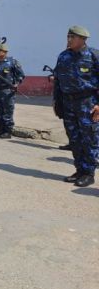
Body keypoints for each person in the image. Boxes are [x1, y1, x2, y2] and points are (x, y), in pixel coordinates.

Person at [53, 25, 99, 187]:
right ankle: (79, 169)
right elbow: (57, 80)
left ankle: (89, 173)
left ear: (83, 39)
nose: (69, 40)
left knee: (89, 138)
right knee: (74, 138)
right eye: (68, 36)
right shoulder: (63, 56)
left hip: (87, 102)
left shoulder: (93, 55)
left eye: (72, 37)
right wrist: (57, 102)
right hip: (68, 103)